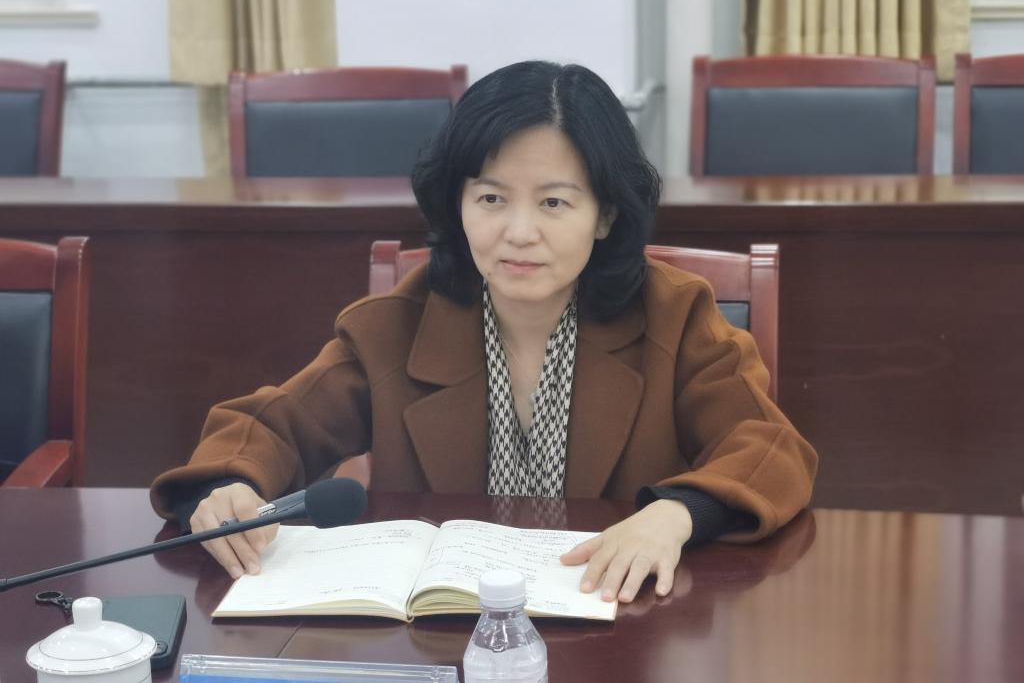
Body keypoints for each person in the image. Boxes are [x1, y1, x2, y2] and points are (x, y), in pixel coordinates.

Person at [150, 60, 817, 604]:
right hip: (444, 630)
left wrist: (676, 515)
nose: (518, 232)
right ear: (458, 204)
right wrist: (224, 489)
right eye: (491, 198)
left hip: (619, 620)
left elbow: (769, 448)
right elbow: (269, 426)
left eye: (554, 202)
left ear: (606, 214)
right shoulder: (400, 323)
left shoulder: (675, 314)